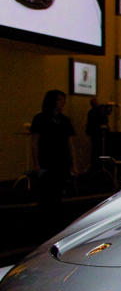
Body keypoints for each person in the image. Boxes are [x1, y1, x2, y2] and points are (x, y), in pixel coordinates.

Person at [30, 89, 76, 221]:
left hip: (62, 161)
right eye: (60, 100)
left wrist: (73, 164)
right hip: (46, 161)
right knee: (45, 194)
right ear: (52, 101)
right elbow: (34, 143)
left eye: (63, 100)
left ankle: (54, 220)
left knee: (58, 194)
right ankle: (43, 221)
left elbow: (69, 143)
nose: (63, 103)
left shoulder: (65, 120)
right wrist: (36, 163)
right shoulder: (40, 119)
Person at [85, 97, 109, 169]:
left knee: (96, 153)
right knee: (96, 152)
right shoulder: (93, 113)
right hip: (97, 136)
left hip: (97, 136)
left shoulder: (92, 112)